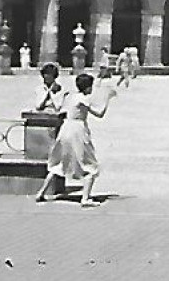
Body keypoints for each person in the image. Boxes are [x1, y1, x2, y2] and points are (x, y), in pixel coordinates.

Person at [34, 71, 113, 207]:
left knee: (59, 163)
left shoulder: (70, 96)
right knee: (89, 164)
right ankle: (85, 198)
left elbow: (60, 109)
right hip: (78, 130)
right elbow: (99, 113)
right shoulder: (83, 99)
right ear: (87, 87)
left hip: (66, 129)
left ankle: (41, 192)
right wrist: (107, 98)